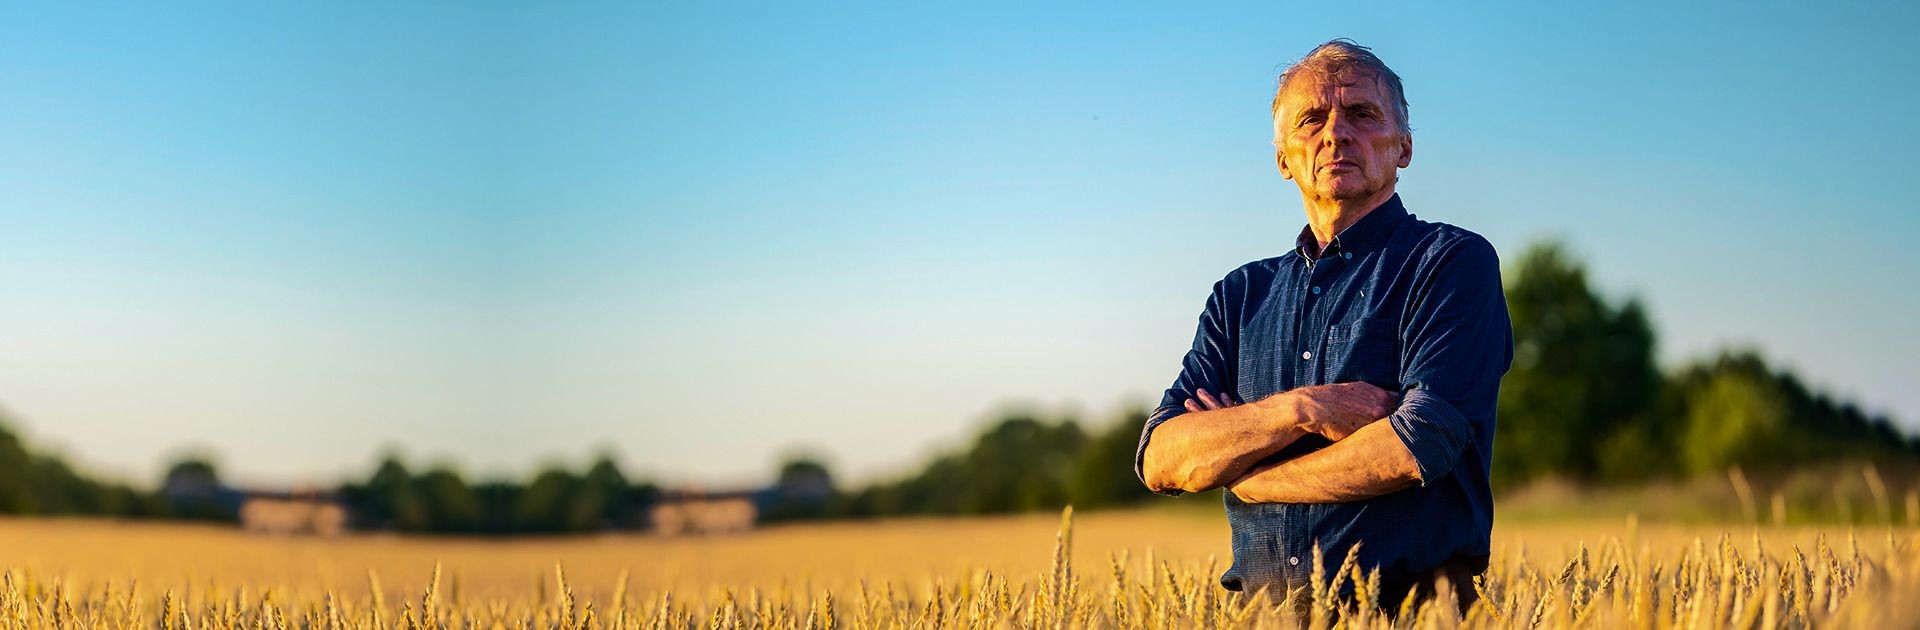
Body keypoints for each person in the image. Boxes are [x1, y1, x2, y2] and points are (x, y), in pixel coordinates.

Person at [1134, 39, 1513, 614]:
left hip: (1414, 615)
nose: (1336, 134)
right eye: (1311, 119)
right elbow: (1162, 457)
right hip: (1263, 618)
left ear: (1404, 146)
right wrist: (1300, 410)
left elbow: (1416, 445)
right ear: (1283, 159)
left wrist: (1251, 474)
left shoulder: (1450, 263)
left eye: (1362, 113)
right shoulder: (1240, 295)